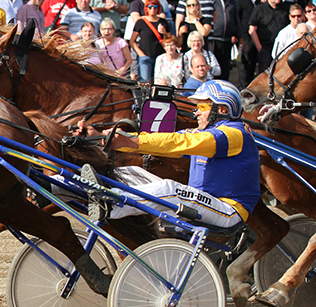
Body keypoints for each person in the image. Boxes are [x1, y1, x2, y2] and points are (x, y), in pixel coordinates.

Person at [77, 80, 260, 241]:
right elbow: (164, 140)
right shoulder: (206, 133)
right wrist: (103, 137)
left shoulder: (234, 134)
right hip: (204, 203)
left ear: (221, 109)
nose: (196, 112)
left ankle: (111, 205)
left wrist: (130, 141)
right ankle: (70, 186)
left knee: (169, 188)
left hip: (227, 210)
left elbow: (179, 142)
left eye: (202, 107)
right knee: (128, 172)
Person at [249, 0, 289, 73]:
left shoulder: (285, 8)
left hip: (281, 48)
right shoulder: (260, 9)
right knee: (265, 74)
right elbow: (252, 30)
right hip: (265, 48)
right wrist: (260, 48)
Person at [206, 0, 239, 82]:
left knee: (225, 68)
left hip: (227, 39)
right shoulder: (211, 0)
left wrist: (237, 34)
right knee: (214, 65)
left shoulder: (232, 2)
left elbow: (236, 19)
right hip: (214, 38)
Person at [130, 0, 167, 82]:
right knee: (145, 82)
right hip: (145, 55)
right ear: (146, 8)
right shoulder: (141, 22)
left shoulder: (163, 22)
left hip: (160, 57)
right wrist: (140, 54)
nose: (153, 9)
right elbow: (132, 41)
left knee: (160, 82)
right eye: (150, 7)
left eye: (155, 6)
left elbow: (169, 40)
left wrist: (164, 33)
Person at [235, 0, 260, 87]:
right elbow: (236, 19)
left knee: (253, 65)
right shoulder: (239, 1)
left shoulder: (260, 1)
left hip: (257, 37)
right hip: (244, 38)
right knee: (244, 66)